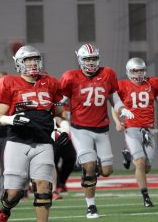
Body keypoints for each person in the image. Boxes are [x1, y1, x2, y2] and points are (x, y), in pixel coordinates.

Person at [0, 45, 69, 222]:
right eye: (28, 60)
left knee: (43, 188)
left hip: (44, 143)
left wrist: (64, 129)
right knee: (14, 193)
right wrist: (11, 120)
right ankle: (4, 211)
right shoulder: (9, 82)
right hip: (18, 142)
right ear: (19, 63)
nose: (33, 63)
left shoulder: (50, 82)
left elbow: (59, 114)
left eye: (35, 59)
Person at [60, 43, 129, 218]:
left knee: (106, 171)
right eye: (87, 59)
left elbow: (114, 98)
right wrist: (59, 118)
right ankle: (91, 206)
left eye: (93, 59)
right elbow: (62, 101)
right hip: (80, 128)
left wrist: (122, 109)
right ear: (80, 60)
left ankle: (86, 167)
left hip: (101, 128)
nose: (90, 62)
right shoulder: (70, 77)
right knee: (90, 166)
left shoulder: (108, 74)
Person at [112, 57, 158, 207]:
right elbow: (114, 105)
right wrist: (118, 122)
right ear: (129, 71)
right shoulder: (122, 85)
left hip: (148, 129)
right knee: (140, 163)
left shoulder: (152, 84)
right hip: (131, 128)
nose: (138, 73)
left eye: (141, 70)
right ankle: (146, 197)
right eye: (135, 70)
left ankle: (128, 154)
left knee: (147, 167)